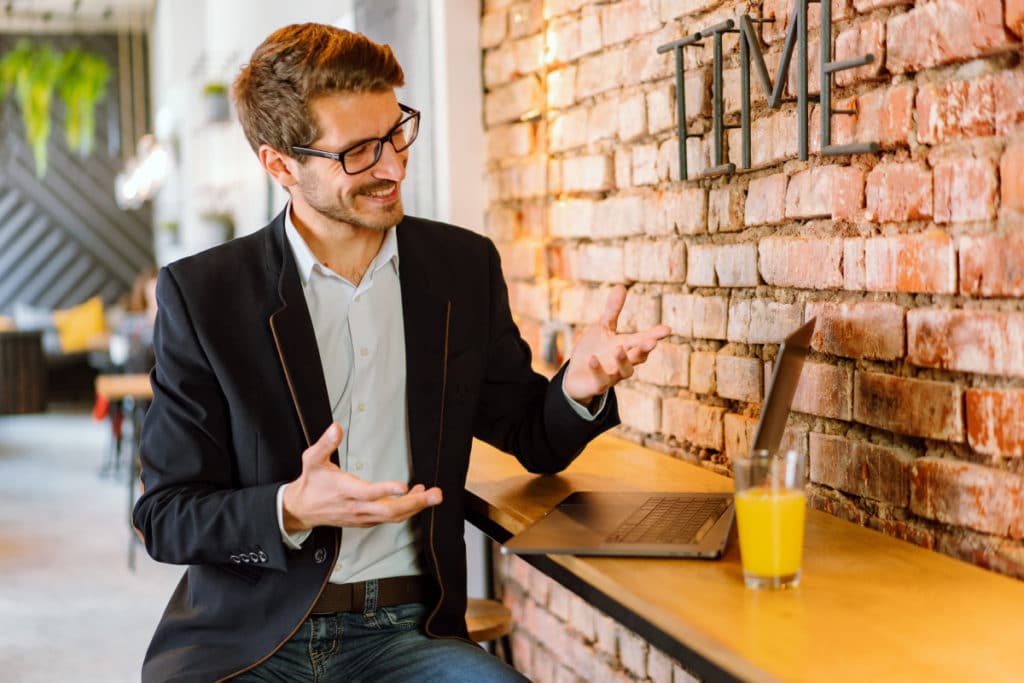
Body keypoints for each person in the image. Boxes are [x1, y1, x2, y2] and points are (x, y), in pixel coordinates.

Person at [132, 23, 670, 682]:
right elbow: (165, 515)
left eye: (394, 133)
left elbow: (531, 435)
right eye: (357, 152)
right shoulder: (205, 294)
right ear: (280, 165)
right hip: (253, 638)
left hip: (407, 635)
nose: (390, 166)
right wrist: (291, 506)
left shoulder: (461, 268)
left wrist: (579, 386)